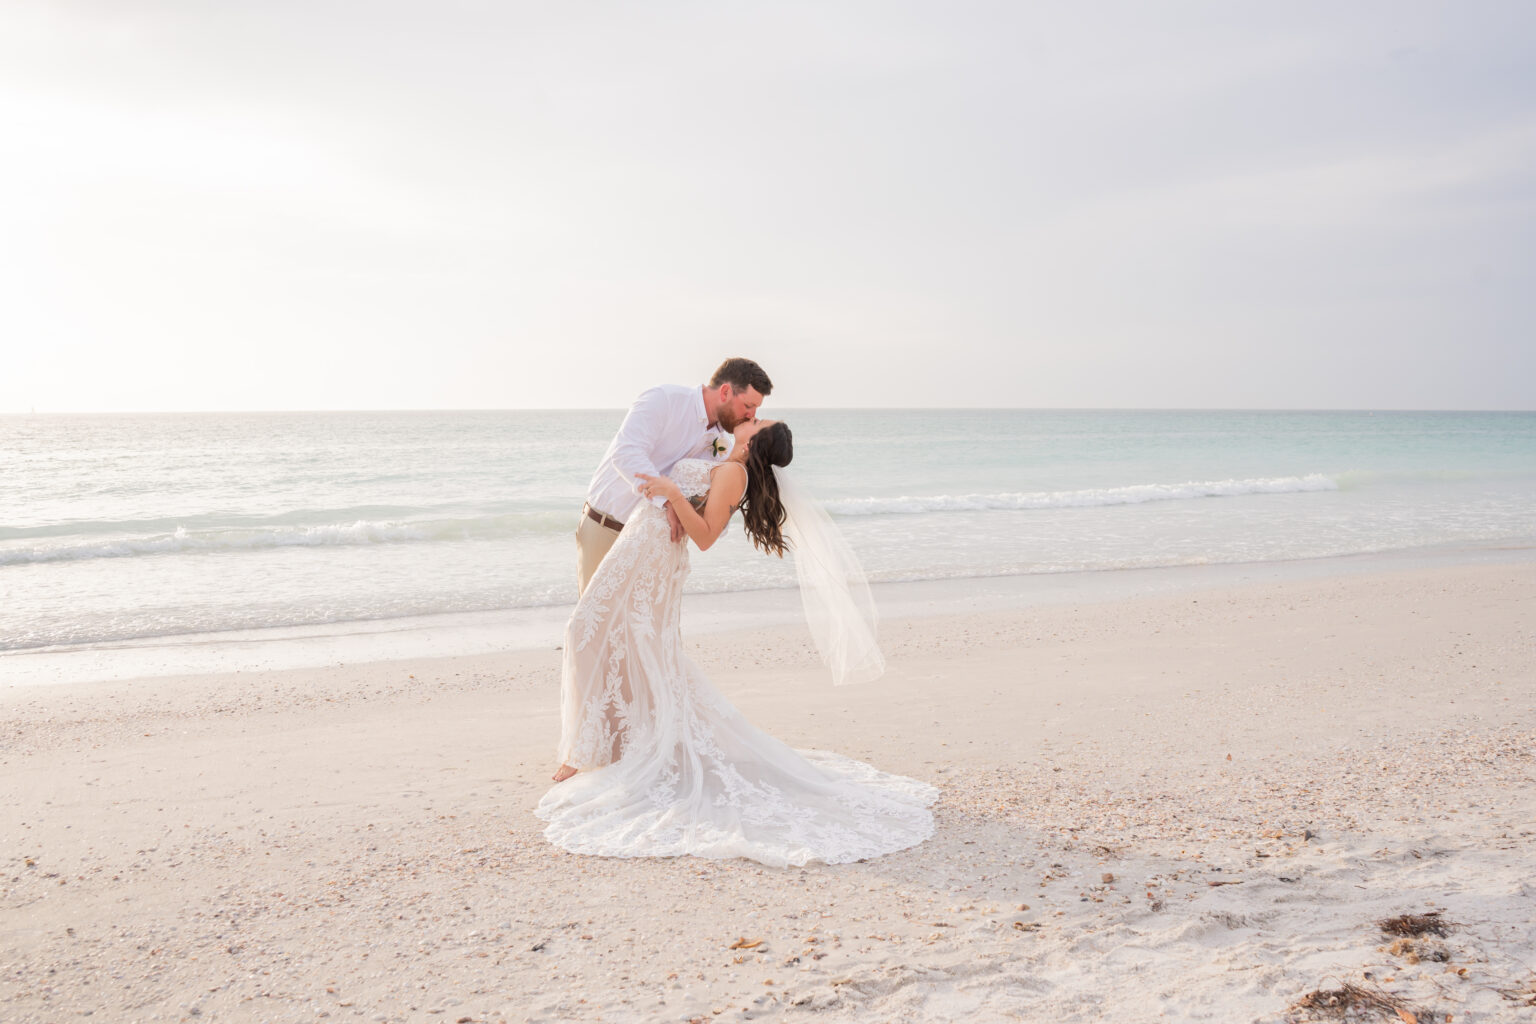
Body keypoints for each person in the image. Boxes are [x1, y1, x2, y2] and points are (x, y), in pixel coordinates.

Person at [539, 418, 937, 867]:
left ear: (755, 441)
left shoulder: (733, 473)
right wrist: (678, 495)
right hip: (642, 546)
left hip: (649, 554)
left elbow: (705, 537)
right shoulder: (728, 463)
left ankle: (583, 751)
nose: (752, 418)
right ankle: (606, 743)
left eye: (758, 421)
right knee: (629, 642)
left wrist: (672, 494)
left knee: (587, 630)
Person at [576, 358, 771, 596]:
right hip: (608, 528)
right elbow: (626, 453)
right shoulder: (664, 399)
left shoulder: (722, 447)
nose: (751, 415)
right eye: (749, 406)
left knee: (636, 629)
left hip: (654, 547)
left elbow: (714, 525)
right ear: (726, 391)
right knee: (595, 625)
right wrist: (667, 501)